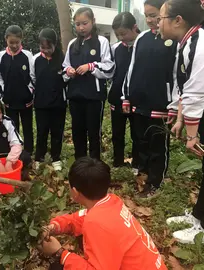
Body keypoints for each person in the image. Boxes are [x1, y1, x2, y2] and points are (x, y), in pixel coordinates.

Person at [39, 157, 167, 270]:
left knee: (59, 265)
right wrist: (54, 227)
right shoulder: (111, 202)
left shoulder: (96, 224)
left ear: (75, 192)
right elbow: (77, 219)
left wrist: (60, 254)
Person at [158, 0, 204, 244]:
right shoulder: (186, 42)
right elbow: (184, 88)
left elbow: (197, 91)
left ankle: (201, 228)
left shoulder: (200, 43)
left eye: (161, 18)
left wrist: (192, 134)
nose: (158, 23)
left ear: (178, 20)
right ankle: (198, 217)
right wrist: (179, 117)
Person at [123, 0, 177, 197]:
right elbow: (132, 69)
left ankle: (156, 183)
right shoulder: (142, 38)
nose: (150, 20)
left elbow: (176, 74)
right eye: (147, 16)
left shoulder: (173, 40)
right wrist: (126, 96)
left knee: (158, 145)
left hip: (161, 103)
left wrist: (175, 104)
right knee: (141, 140)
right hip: (139, 102)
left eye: (154, 15)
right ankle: (143, 174)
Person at [63, 7, 115, 161]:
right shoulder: (73, 44)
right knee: (77, 132)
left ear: (93, 21)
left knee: (94, 132)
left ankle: (94, 163)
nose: (81, 27)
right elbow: (64, 66)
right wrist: (69, 71)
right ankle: (80, 162)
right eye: (78, 24)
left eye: (85, 23)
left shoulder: (101, 42)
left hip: (94, 96)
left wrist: (90, 66)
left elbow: (109, 67)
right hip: (75, 96)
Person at [0, 25, 35, 155]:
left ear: (21, 40)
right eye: (11, 42)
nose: (14, 45)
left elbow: (32, 76)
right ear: (6, 39)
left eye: (17, 42)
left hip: (26, 101)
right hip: (9, 101)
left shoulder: (27, 55)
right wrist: (3, 93)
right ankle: (15, 152)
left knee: (28, 127)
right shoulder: (1, 56)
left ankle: (28, 152)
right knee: (13, 128)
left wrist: (30, 92)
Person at [33, 28, 67, 172]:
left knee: (57, 131)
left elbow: (66, 78)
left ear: (55, 44)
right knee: (41, 131)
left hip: (58, 103)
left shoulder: (62, 59)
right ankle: (38, 157)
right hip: (41, 103)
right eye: (42, 47)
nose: (45, 50)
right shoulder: (35, 59)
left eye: (49, 47)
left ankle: (56, 158)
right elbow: (32, 79)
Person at [109, 12, 140, 170]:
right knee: (117, 133)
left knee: (137, 134)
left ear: (134, 28)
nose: (121, 37)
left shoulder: (142, 45)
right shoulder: (115, 49)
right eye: (117, 34)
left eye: (123, 33)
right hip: (117, 98)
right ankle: (118, 162)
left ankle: (137, 164)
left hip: (137, 99)